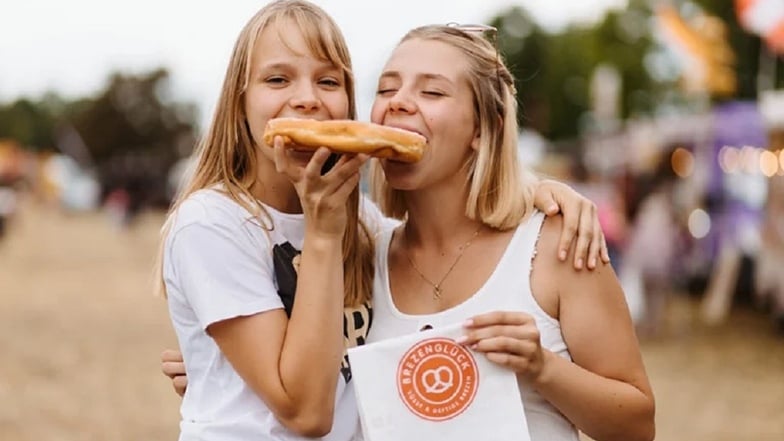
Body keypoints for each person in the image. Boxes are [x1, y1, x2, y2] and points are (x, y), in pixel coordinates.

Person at [158, 2, 611, 440]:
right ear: (239, 102)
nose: (306, 99)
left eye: (328, 81)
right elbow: (308, 413)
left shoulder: (368, 229)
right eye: (277, 79)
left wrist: (540, 190)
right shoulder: (211, 224)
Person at [364, 25, 654, 441]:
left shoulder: (558, 243)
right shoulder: (361, 255)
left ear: (484, 129)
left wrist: (542, 367)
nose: (398, 104)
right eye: (387, 89)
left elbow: (638, 426)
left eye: (432, 92)